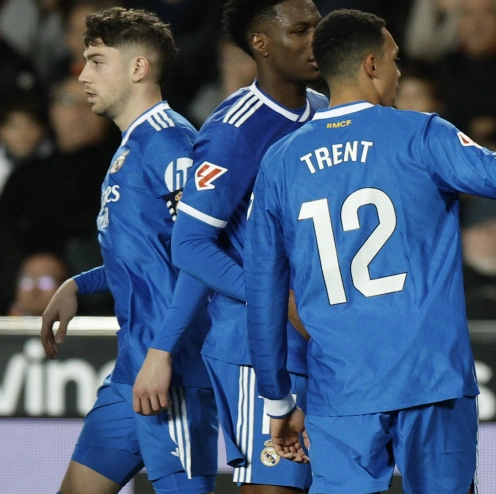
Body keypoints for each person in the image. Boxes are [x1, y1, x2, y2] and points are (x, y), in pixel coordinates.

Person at [245, 9, 496, 493]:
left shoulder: (280, 162)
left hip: (342, 389)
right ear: (372, 65)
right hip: (431, 378)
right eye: (396, 60)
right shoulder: (421, 135)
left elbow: (264, 296)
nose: (400, 71)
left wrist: (277, 402)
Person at [141, 0, 326, 491]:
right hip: (254, 343)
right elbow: (190, 245)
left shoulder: (326, 112)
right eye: (300, 31)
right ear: (260, 44)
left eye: (319, 28)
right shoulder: (233, 130)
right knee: (274, 485)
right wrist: (274, 297)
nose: (316, 40)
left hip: (318, 338)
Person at [39, 7, 217, 494]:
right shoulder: (131, 147)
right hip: (132, 370)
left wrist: (164, 353)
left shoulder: (170, 145)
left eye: (97, 61)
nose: (82, 75)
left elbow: (203, 254)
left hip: (173, 370)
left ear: (138, 68)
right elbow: (147, 255)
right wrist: (81, 282)